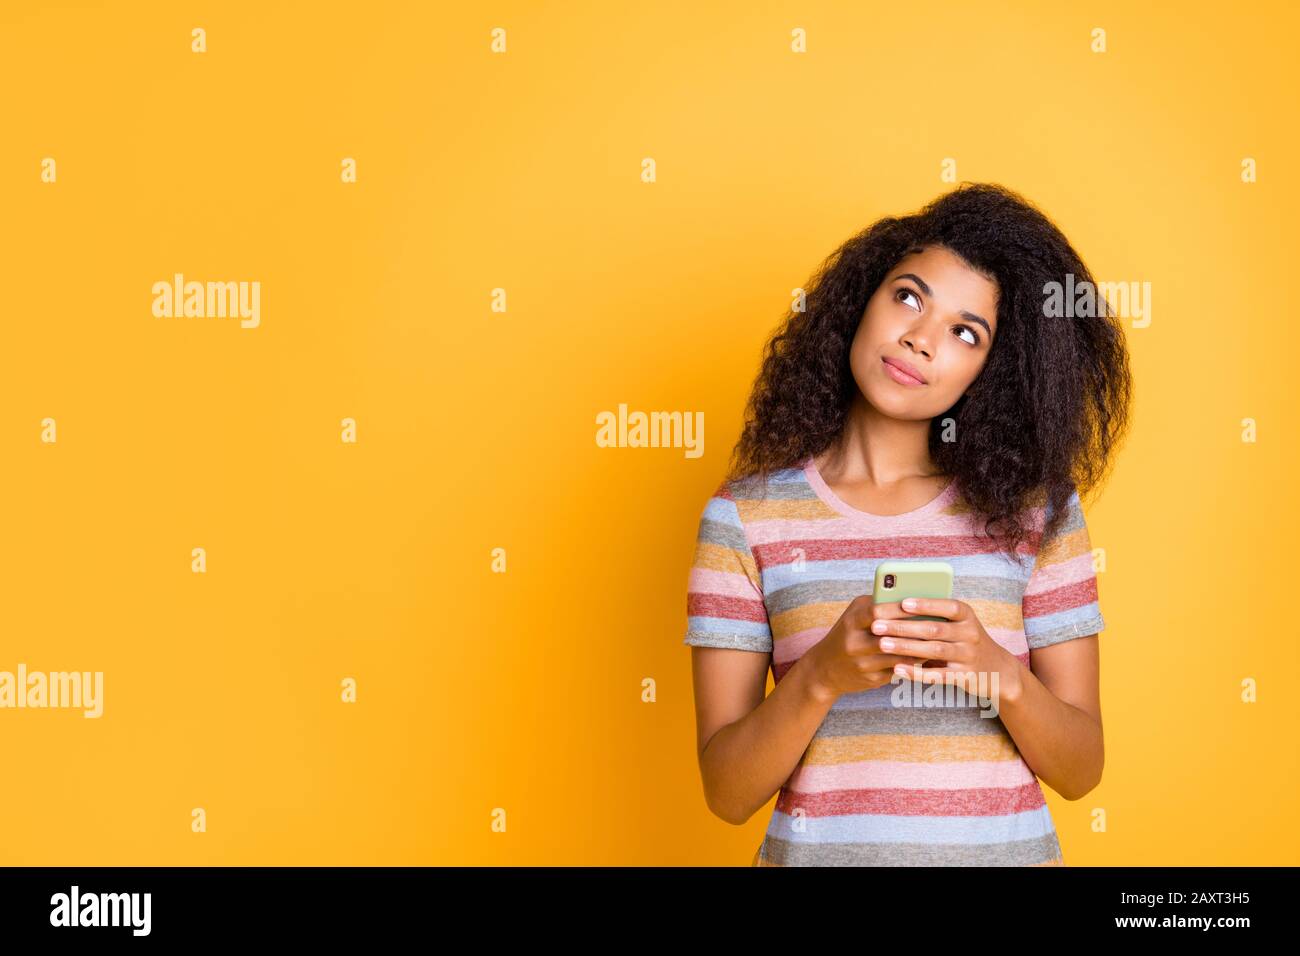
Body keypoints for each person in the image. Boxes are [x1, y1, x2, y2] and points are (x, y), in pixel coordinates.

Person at [683, 182, 1133, 866]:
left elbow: (1080, 769)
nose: (920, 341)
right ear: (861, 298)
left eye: (965, 331)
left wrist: (997, 673)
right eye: (909, 296)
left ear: (994, 369)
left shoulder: (1039, 515)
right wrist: (821, 676)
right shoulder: (746, 518)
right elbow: (726, 792)